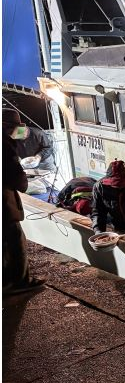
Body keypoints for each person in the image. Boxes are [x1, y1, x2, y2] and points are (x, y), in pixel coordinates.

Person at [2, 110, 45, 294]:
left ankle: (5, 280)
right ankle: (20, 282)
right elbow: (18, 180)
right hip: (5, 204)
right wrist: (24, 177)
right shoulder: (5, 146)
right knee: (15, 241)